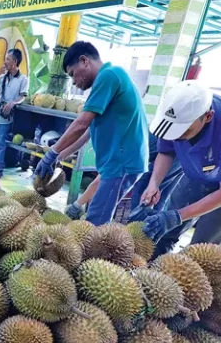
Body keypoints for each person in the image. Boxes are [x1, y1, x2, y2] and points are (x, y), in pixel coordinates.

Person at [140, 80, 221, 256]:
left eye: (183, 132)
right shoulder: (173, 116)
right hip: (198, 166)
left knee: (205, 244)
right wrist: (154, 183)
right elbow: (166, 152)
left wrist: (177, 216)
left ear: (208, 116)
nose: (177, 137)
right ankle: (155, 268)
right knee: (166, 229)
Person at [33, 41, 148, 225]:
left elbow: (81, 122)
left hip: (122, 162)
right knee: (96, 215)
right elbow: (88, 131)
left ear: (84, 61)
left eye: (72, 74)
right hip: (119, 162)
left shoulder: (109, 76)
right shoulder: (108, 79)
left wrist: (51, 153)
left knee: (96, 220)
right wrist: (60, 156)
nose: (74, 81)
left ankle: (95, 253)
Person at [62, 131, 185, 221]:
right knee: (156, 199)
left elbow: (97, 183)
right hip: (181, 152)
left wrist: (76, 205)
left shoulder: (118, 150)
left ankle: (138, 240)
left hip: (171, 152)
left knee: (144, 195)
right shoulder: (123, 137)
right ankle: (146, 237)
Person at [0, 49, 29, 176]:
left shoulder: (23, 79)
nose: (5, 62)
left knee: (0, 143)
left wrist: (13, 103)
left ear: (15, 61)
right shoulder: (2, 77)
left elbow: (23, 96)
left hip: (6, 116)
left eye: (8, 59)